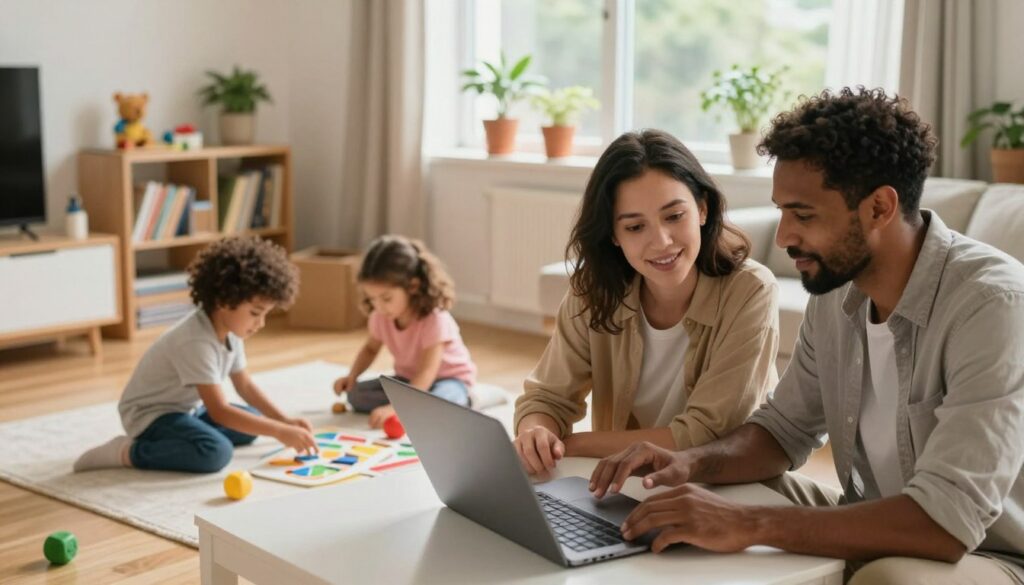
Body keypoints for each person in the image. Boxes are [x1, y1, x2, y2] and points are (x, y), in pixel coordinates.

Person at [589, 88, 1024, 584]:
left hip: (989, 553)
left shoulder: (993, 305)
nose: (783, 238)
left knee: (890, 581)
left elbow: (946, 523)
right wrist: (686, 463)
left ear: (880, 207)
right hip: (875, 516)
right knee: (697, 495)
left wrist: (751, 524)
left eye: (804, 215)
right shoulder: (837, 292)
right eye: (782, 212)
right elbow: (784, 430)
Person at [513, 129, 780, 476]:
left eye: (674, 216)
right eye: (636, 227)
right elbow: (548, 398)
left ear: (702, 208)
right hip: (620, 485)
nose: (662, 242)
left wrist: (573, 445)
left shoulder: (750, 291)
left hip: (718, 488)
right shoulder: (591, 292)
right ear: (614, 235)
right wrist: (537, 432)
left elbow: (706, 432)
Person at [74, 236, 317, 473]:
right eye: (255, 313)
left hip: (187, 408)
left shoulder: (231, 330)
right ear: (225, 300)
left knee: (251, 424)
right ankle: (128, 452)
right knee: (215, 452)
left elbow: (245, 386)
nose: (261, 323)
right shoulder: (195, 340)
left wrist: (284, 421)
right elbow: (219, 410)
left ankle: (187, 436)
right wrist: (278, 431)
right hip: (151, 415)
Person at [332, 235, 477, 428]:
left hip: (448, 380)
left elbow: (427, 371)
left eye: (386, 298)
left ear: (413, 286)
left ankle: (466, 399)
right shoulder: (380, 316)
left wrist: (396, 408)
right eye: (372, 299)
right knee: (355, 395)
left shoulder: (434, 319)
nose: (379, 307)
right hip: (408, 380)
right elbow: (370, 349)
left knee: (443, 405)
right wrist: (352, 376)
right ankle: (414, 407)